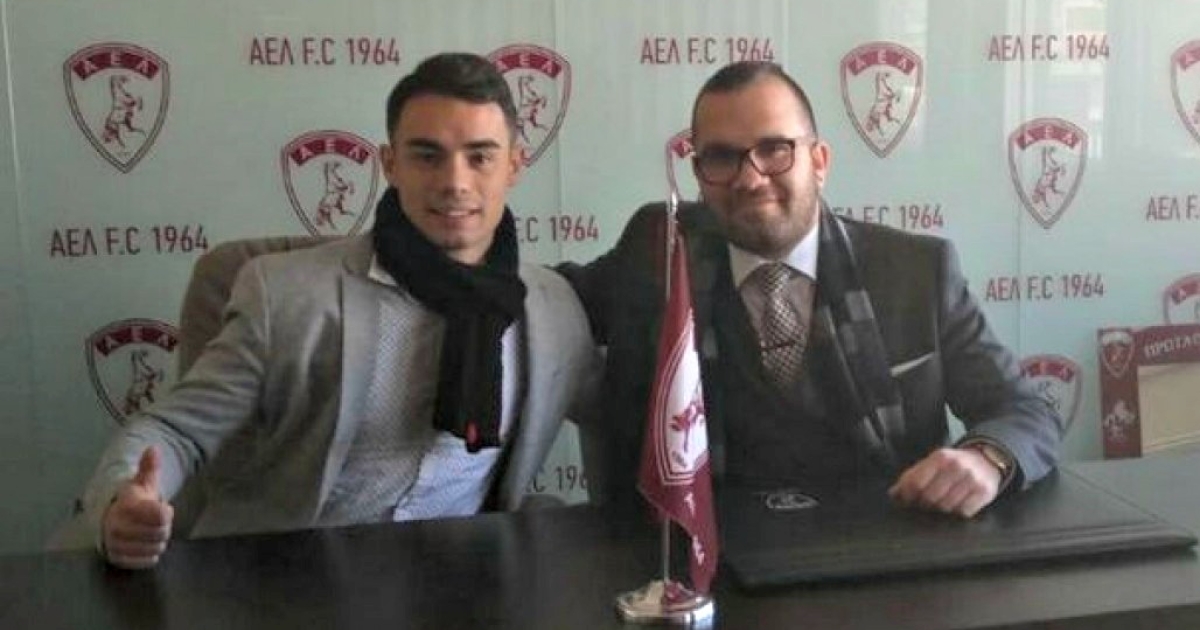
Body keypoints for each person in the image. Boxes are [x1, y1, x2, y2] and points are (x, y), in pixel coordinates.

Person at [70, 52, 596, 569]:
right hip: (292, 581)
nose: (455, 182)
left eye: (480, 157)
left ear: (514, 165)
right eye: (427, 156)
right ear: (390, 164)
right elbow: (176, 432)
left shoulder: (553, 309)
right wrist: (123, 502)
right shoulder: (284, 294)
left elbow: (622, 414)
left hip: (463, 580)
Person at [564, 61, 1062, 520]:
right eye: (721, 157)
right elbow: (548, 299)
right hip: (708, 556)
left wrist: (989, 458)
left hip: (889, 545)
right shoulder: (656, 253)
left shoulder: (917, 271)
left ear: (819, 161)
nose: (750, 179)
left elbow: (1022, 409)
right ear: (698, 174)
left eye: (774, 150)